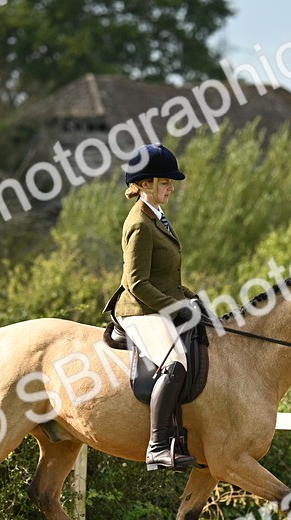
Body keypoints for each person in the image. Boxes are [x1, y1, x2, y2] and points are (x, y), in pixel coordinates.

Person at [117, 144, 199, 471]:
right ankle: (157, 446)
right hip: (139, 310)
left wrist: (192, 299)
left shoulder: (157, 217)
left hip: (156, 304)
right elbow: (136, 282)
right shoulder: (139, 222)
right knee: (175, 361)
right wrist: (175, 309)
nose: (171, 187)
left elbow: (166, 276)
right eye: (165, 182)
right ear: (146, 183)